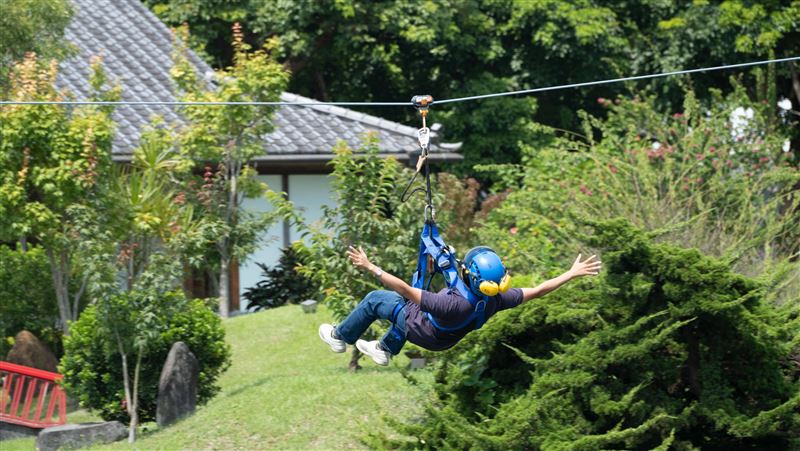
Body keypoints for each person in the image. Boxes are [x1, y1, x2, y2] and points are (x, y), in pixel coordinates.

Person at [318, 245, 601, 365]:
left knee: (378, 300)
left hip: (423, 329)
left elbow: (405, 289)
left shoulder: (451, 303)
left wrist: (371, 267)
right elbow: (539, 291)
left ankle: (339, 337)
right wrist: (570, 273)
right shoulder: (496, 300)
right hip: (445, 339)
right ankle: (383, 350)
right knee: (408, 307)